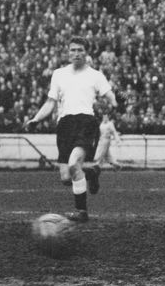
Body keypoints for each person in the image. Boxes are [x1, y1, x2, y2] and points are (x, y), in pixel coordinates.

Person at [24, 37, 118, 221]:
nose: (76, 53)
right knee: (67, 177)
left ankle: (81, 212)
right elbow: (50, 102)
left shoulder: (95, 75)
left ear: (86, 53)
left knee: (75, 164)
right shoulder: (59, 74)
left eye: (80, 50)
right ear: (68, 53)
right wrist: (36, 119)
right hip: (64, 125)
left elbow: (111, 95)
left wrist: (118, 100)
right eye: (73, 50)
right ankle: (92, 172)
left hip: (86, 122)